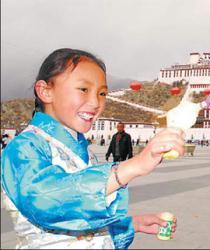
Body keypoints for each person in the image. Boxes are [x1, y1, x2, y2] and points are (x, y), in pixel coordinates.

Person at [1, 48, 183, 249]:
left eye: (102, 93)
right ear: (46, 91)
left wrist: (131, 224)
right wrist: (134, 166)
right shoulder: (23, 148)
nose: (96, 102)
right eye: (83, 89)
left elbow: (80, 226)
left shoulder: (82, 150)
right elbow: (46, 200)